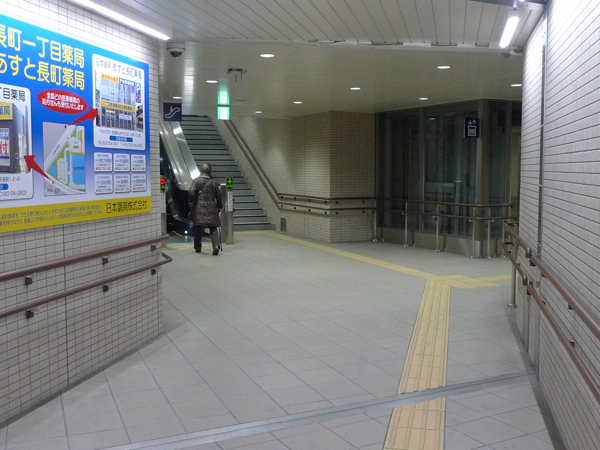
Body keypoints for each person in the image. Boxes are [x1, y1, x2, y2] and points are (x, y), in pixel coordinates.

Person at [188, 163, 223, 255]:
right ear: (209, 171)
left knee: (198, 227)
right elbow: (219, 196)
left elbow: (191, 193)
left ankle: (198, 247)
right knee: (213, 228)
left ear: (201, 170)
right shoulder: (214, 182)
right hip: (212, 207)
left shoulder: (196, 181)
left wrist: (191, 202)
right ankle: (216, 246)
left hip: (199, 207)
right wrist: (219, 206)